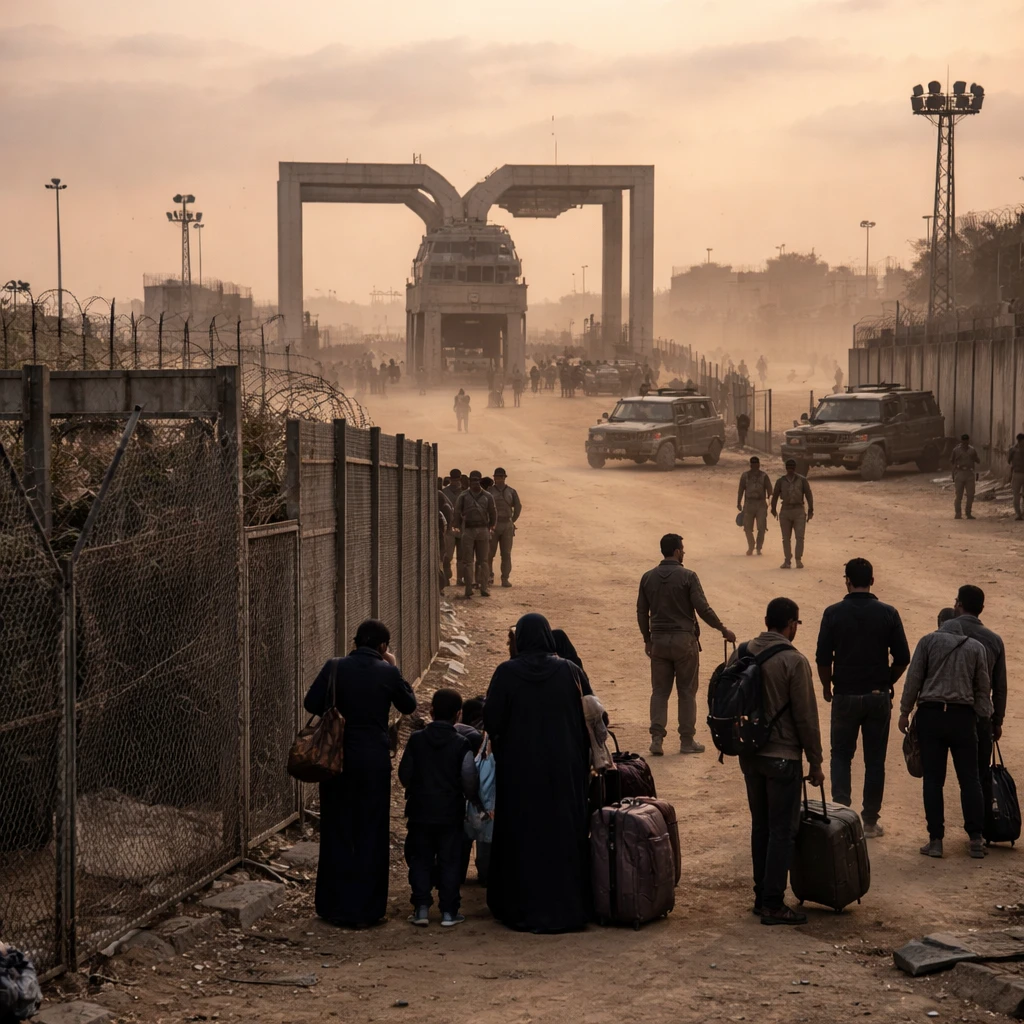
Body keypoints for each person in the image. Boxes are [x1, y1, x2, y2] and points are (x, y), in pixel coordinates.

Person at [303, 619, 417, 927]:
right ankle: (367, 909)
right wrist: (394, 666)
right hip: (372, 762)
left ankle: (332, 905)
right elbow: (409, 705)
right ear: (382, 648)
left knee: (337, 828)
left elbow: (310, 702)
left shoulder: (334, 667)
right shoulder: (388, 671)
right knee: (371, 831)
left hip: (335, 760)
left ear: (355, 642)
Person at [483, 614, 592, 932]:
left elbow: (492, 720)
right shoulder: (570, 671)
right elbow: (592, 712)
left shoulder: (506, 672)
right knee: (563, 830)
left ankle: (520, 905)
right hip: (564, 767)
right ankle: (567, 907)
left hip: (520, 768)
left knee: (522, 831)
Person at [733, 597, 824, 925]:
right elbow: (806, 717)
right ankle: (772, 902)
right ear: (790, 625)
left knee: (761, 825)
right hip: (783, 757)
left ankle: (762, 895)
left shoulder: (743, 651)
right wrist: (816, 761)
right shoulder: (794, 661)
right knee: (782, 831)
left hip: (749, 755)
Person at [814, 558, 910, 838]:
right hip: (877, 696)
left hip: (845, 693)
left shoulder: (833, 613)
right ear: (872, 580)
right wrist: (887, 680)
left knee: (841, 755)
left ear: (847, 580)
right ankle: (869, 821)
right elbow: (903, 658)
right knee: (875, 760)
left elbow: (822, 658)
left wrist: (826, 686)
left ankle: (841, 818)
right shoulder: (888, 613)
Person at [899, 612, 991, 859]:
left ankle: (936, 841)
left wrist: (904, 712)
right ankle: (975, 840)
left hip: (931, 716)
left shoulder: (928, 641)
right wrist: (984, 718)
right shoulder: (976, 647)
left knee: (933, 780)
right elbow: (983, 686)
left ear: (940, 624)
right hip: (963, 718)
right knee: (970, 780)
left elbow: (914, 679)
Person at [637, 533, 737, 756]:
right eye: (682, 548)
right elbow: (702, 609)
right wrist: (723, 629)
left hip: (659, 642)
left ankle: (656, 739)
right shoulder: (688, 576)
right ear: (676, 551)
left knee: (660, 692)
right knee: (686, 692)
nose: (684, 552)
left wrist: (647, 639)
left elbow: (642, 612)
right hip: (684, 642)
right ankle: (686, 741)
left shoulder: (647, 578)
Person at [399, 688, 479, 928]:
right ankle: (449, 911)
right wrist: (471, 798)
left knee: (420, 858)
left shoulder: (416, 740)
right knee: (450, 860)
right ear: (458, 714)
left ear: (431, 711)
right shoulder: (462, 743)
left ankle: (421, 908)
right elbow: (468, 777)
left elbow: (405, 774)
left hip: (420, 810)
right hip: (450, 811)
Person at [950, 585, 1007, 823]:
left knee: (935, 777)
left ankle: (936, 836)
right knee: (978, 775)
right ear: (981, 609)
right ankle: (979, 831)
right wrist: (997, 721)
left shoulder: (945, 633)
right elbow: (1000, 686)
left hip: (947, 711)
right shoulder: (994, 640)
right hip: (980, 716)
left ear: (958, 604)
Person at [453, 471, 497, 599]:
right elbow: (457, 511)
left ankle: (484, 587)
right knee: (468, 562)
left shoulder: (487, 496)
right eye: (473, 480)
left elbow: (493, 512)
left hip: (483, 529)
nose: (476, 482)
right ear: (470, 481)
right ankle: (468, 588)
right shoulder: (464, 495)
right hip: (468, 530)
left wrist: (492, 526)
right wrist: (457, 525)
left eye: (478, 480)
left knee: (483, 561)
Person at [771, 459, 814, 569]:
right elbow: (775, 495)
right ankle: (787, 560)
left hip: (799, 510)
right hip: (785, 510)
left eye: (792, 467)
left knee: (799, 537)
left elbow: (808, 495)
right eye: (789, 467)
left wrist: (810, 510)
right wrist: (773, 508)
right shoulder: (781, 481)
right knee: (786, 538)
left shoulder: (802, 480)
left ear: (795, 468)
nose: (790, 469)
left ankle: (798, 559)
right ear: (786, 468)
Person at [488, 468, 522, 588]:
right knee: (489, 553)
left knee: (506, 554)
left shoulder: (511, 492)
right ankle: (489, 576)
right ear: (494, 478)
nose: (499, 479)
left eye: (501, 477)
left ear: (504, 478)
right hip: (494, 525)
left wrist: (512, 521)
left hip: (507, 525)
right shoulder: (490, 491)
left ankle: (505, 578)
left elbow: (518, 507)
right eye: (497, 477)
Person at [737, 456, 772, 556]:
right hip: (749, 504)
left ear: (759, 464)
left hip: (761, 504)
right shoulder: (745, 476)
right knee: (747, 528)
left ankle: (759, 548)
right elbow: (741, 490)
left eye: (756, 463)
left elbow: (770, 490)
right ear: (750, 465)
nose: (755, 465)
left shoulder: (764, 476)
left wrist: (770, 502)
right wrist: (739, 502)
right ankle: (751, 546)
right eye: (753, 464)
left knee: (761, 528)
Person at [951, 433, 980, 520]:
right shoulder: (956, 450)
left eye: (966, 441)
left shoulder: (972, 450)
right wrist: (954, 472)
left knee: (970, 494)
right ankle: (958, 513)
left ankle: (968, 513)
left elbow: (977, 460)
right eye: (963, 442)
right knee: (959, 495)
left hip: (969, 473)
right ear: (961, 441)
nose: (965, 443)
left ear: (968, 441)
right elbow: (952, 461)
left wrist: (974, 458)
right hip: (960, 472)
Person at [441, 470, 463, 586]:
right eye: (453, 479)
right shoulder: (444, 492)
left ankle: (460, 578)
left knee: (462, 556)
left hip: (462, 528)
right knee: (447, 556)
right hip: (449, 528)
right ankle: (447, 577)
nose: (455, 481)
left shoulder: (465, 493)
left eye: (457, 479)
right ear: (450, 479)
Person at [1008, 433, 1024, 521]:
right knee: (1016, 495)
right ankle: (1019, 514)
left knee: (1018, 495)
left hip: (1018, 473)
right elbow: (1009, 461)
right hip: (1017, 473)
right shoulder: (1013, 450)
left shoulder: (1013, 449)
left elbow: (1008, 461)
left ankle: (1020, 514)